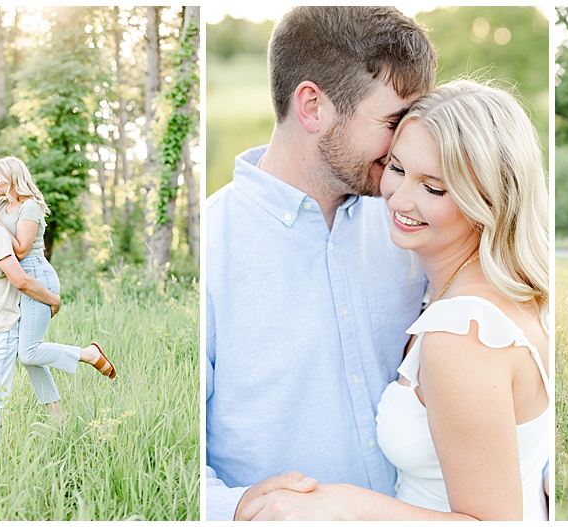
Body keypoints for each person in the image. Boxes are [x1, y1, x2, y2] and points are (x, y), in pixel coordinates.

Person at [242, 80, 549, 520]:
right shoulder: (501, 291)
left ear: (488, 199)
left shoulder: (463, 334)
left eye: (434, 188)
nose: (399, 198)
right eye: (397, 167)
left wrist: (347, 504)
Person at [205, 6, 436, 521]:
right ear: (312, 106)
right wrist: (233, 505)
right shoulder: (211, 249)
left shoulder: (415, 218)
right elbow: (172, 456)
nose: (407, 144)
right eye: (395, 122)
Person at [0, 157, 116, 423]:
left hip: (35, 275)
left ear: (12, 178)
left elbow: (20, 250)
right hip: (17, 279)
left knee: (29, 351)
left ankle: (88, 354)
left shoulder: (28, 207)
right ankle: (57, 416)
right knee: (28, 353)